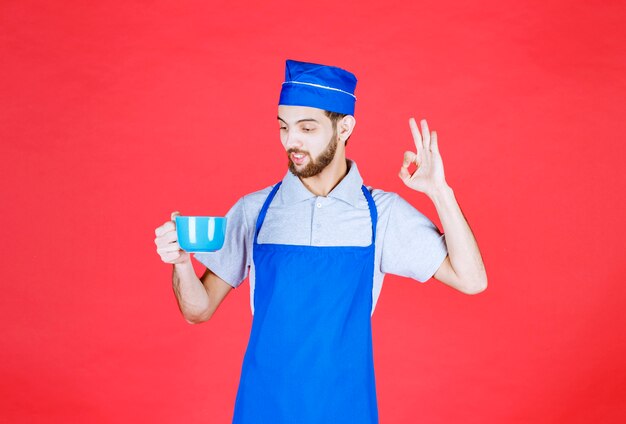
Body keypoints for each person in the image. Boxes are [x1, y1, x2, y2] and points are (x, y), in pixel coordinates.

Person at [154, 59, 487, 423]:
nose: (291, 141)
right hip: (262, 409)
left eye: (307, 128)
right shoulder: (256, 211)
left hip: (347, 410)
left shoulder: (382, 214)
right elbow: (197, 311)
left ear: (345, 127)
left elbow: (471, 280)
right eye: (283, 127)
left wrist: (440, 192)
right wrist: (182, 262)